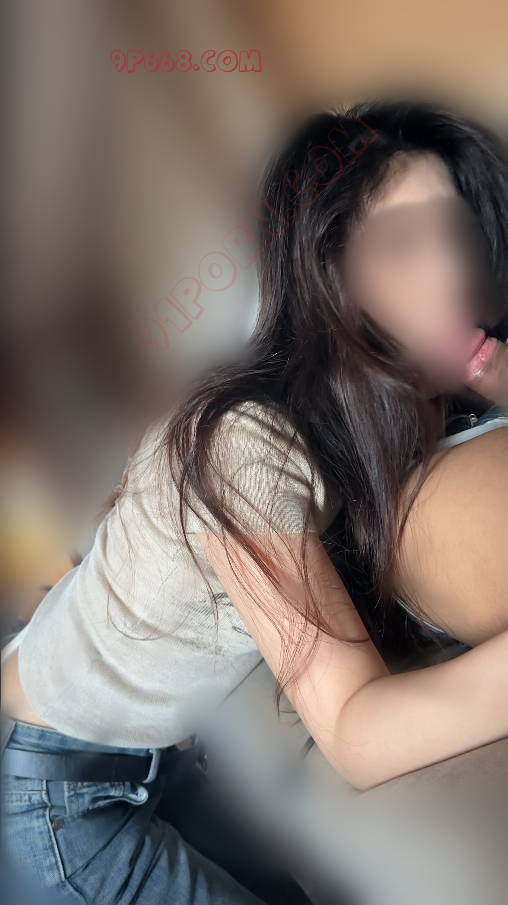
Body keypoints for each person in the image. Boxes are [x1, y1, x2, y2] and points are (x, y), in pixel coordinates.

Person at [3, 97, 508, 903]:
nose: (452, 274)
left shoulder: (373, 405)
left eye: (453, 231)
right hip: (56, 787)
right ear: (328, 280)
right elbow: (356, 729)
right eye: (399, 245)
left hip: (147, 751)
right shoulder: (247, 441)